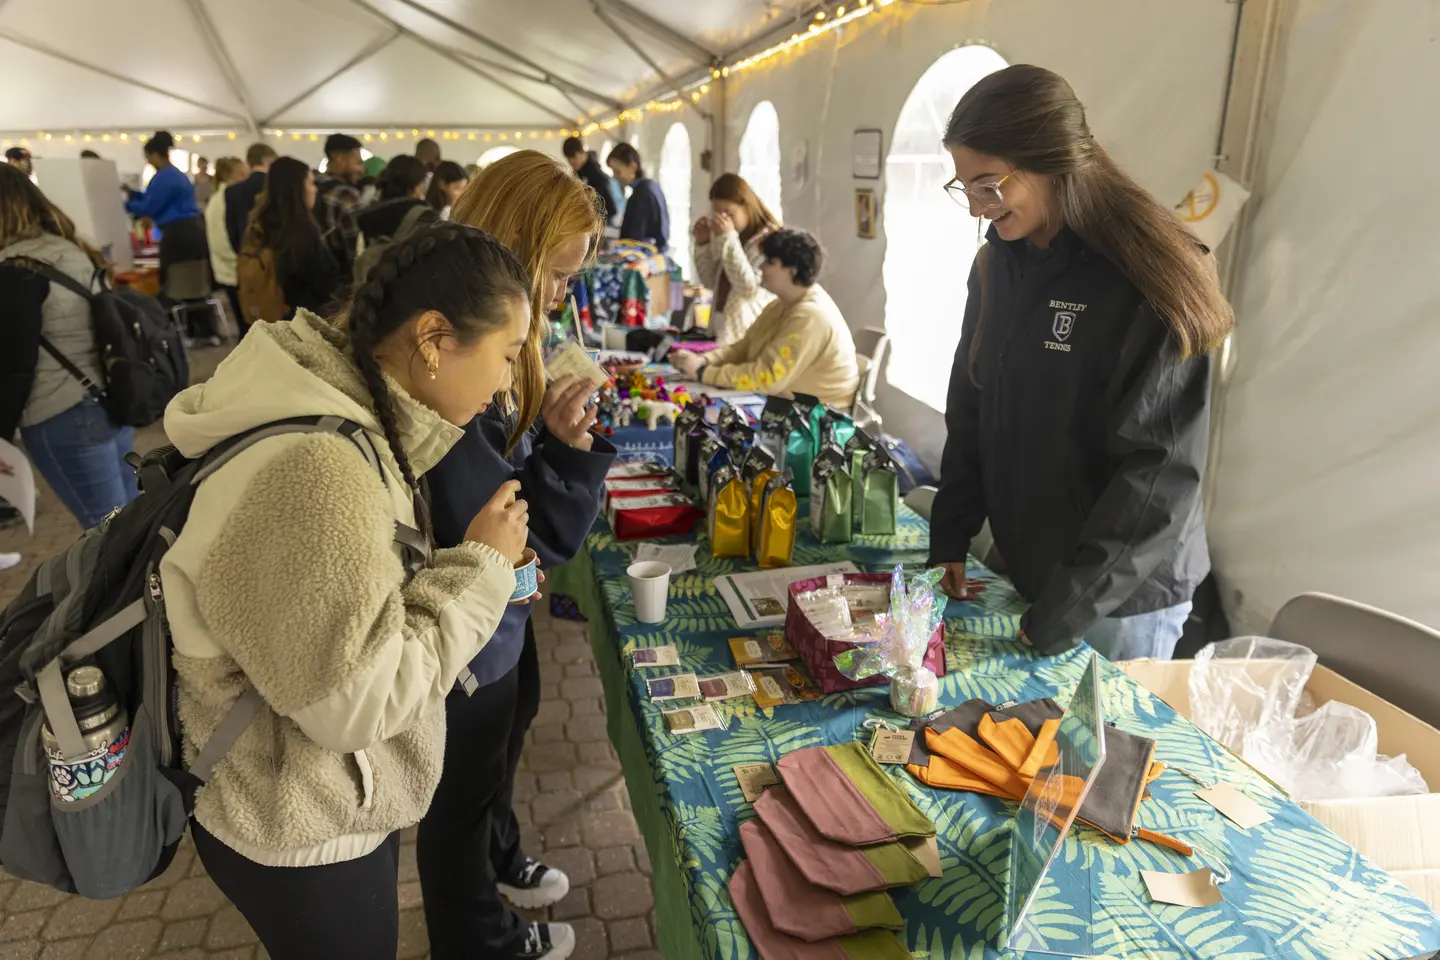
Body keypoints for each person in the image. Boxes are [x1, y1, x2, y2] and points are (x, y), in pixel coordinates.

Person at [163, 222, 536, 959]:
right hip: (299, 824)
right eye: (508, 354)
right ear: (434, 338)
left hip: (300, 799)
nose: (507, 383)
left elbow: (342, 605)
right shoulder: (318, 469)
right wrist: (482, 568)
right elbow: (355, 700)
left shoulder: (338, 413)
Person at [928, 65, 1232, 661]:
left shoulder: (1150, 274)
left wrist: (1068, 605)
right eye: (965, 188)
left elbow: (1157, 473)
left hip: (1120, 599)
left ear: (1052, 160)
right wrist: (950, 536)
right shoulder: (999, 266)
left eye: (989, 185)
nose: (976, 209)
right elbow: (973, 405)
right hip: (1037, 569)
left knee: (1094, 753)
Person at [422, 149, 611, 960]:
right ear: (513, 255)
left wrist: (557, 443)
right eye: (558, 276)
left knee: (504, 741)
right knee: (458, 796)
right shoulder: (457, 367)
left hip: (493, 616)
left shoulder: (499, 352)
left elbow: (511, 500)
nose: (562, 299)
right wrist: (564, 458)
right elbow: (513, 527)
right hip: (463, 622)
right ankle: (483, 941)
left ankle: (501, 855)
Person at [0, 165, 138, 528]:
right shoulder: (73, 249)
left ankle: (136, 586)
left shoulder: (14, 269)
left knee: (106, 533)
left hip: (60, 411)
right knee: (132, 524)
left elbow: (16, 364)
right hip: (108, 399)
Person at [672, 228, 859, 407]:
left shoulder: (810, 316)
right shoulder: (782, 304)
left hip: (817, 419)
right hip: (787, 404)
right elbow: (744, 348)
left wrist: (703, 373)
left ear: (792, 271)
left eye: (770, 261)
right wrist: (705, 361)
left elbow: (767, 378)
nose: (761, 266)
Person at [238, 156, 342, 325]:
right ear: (296, 189)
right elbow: (325, 283)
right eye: (310, 183)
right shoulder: (302, 232)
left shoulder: (257, 224)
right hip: (303, 322)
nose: (315, 190)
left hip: (269, 317)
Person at [692, 173, 780, 346]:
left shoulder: (768, 240)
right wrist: (703, 244)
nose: (723, 219)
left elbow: (747, 288)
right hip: (720, 327)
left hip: (748, 334)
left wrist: (728, 238)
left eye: (728, 213)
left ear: (746, 206)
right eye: (717, 213)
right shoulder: (730, 236)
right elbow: (710, 282)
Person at [123, 131, 208, 291]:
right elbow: (153, 198)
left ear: (155, 154)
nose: (148, 161)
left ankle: (176, 312)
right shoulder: (176, 175)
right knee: (193, 282)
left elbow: (150, 206)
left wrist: (126, 205)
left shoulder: (164, 177)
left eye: (148, 157)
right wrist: (134, 194)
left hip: (178, 235)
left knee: (172, 281)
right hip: (192, 231)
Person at [355, 155, 437, 282]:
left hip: (369, 284)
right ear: (417, 185)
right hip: (407, 286)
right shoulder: (423, 213)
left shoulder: (366, 213)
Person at [205, 156, 248, 328]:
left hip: (225, 270)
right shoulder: (228, 200)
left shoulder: (216, 199)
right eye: (243, 174)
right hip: (234, 270)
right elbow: (225, 241)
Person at [315, 133, 365, 274]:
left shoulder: (311, 186)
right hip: (339, 280)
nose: (362, 170)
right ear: (341, 160)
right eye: (358, 163)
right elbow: (355, 249)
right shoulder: (346, 194)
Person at [606, 142, 668, 252]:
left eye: (617, 172)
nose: (615, 177)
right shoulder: (650, 187)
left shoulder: (643, 194)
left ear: (632, 167)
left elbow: (636, 240)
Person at [225, 142, 278, 254]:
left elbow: (231, 230)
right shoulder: (277, 187)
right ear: (266, 160)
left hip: (246, 253)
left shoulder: (232, 192)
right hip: (273, 253)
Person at [562, 136, 621, 225]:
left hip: (600, 224)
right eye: (569, 160)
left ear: (581, 152)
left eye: (574, 158)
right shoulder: (579, 171)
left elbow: (611, 208)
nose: (571, 162)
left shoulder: (595, 173)